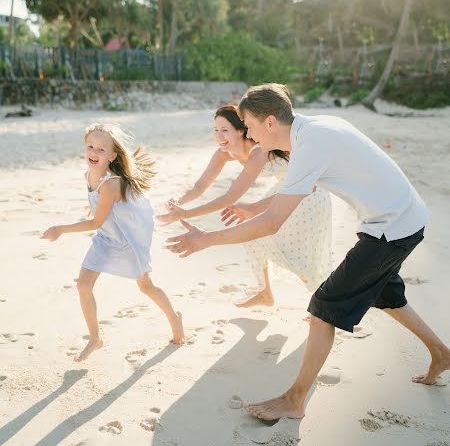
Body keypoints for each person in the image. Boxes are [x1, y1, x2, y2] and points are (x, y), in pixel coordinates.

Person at [167, 84, 450, 421]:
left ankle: (294, 398)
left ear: (270, 122)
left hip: (391, 228)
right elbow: (294, 193)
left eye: (250, 126)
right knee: (387, 294)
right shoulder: (315, 129)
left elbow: (272, 223)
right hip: (402, 218)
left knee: (323, 306)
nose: (248, 133)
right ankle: (440, 352)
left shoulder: (310, 145)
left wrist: (206, 239)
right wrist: (249, 209)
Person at [157, 104, 332, 306]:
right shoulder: (223, 154)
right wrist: (178, 203)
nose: (219, 136)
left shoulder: (259, 151)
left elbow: (231, 196)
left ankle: (323, 300)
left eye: (224, 130)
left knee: (294, 253)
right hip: (282, 190)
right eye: (215, 130)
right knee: (252, 235)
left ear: (241, 131)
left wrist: (185, 214)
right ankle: (265, 292)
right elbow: (200, 185)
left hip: (308, 192)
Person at [41, 123, 184, 362]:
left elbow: (96, 222)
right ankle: (95, 339)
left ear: (112, 156)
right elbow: (101, 209)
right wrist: (95, 204)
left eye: (101, 149)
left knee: (146, 286)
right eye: (90, 147)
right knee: (83, 285)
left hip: (125, 240)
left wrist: (60, 229)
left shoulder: (111, 184)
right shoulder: (89, 175)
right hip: (105, 240)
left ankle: (174, 318)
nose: (94, 153)